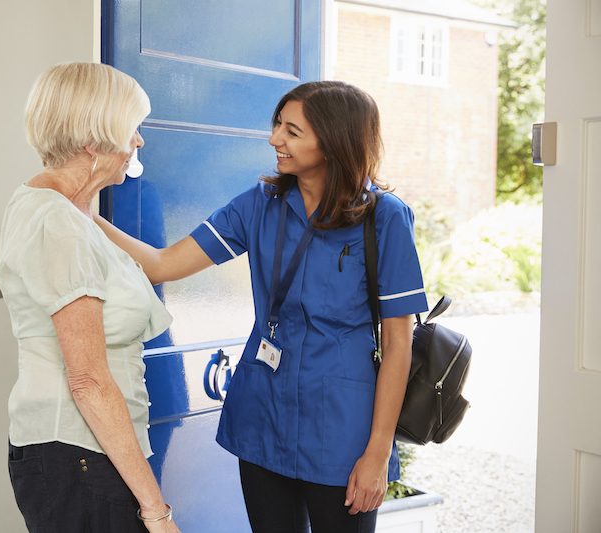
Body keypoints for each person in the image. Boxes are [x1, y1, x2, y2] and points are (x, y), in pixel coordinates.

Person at [94, 80, 428, 533]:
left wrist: (378, 452)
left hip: (342, 433)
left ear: (333, 141)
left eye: (292, 131)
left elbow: (397, 344)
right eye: (277, 126)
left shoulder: (384, 217)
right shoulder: (259, 205)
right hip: (263, 419)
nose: (275, 140)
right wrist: (79, 209)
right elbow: (160, 265)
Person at [0, 62, 181, 533]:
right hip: (81, 453)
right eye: (132, 129)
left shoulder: (62, 210)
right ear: (92, 140)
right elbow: (89, 383)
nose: (139, 142)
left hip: (79, 452)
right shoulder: (61, 224)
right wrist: (156, 511)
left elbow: (157, 262)